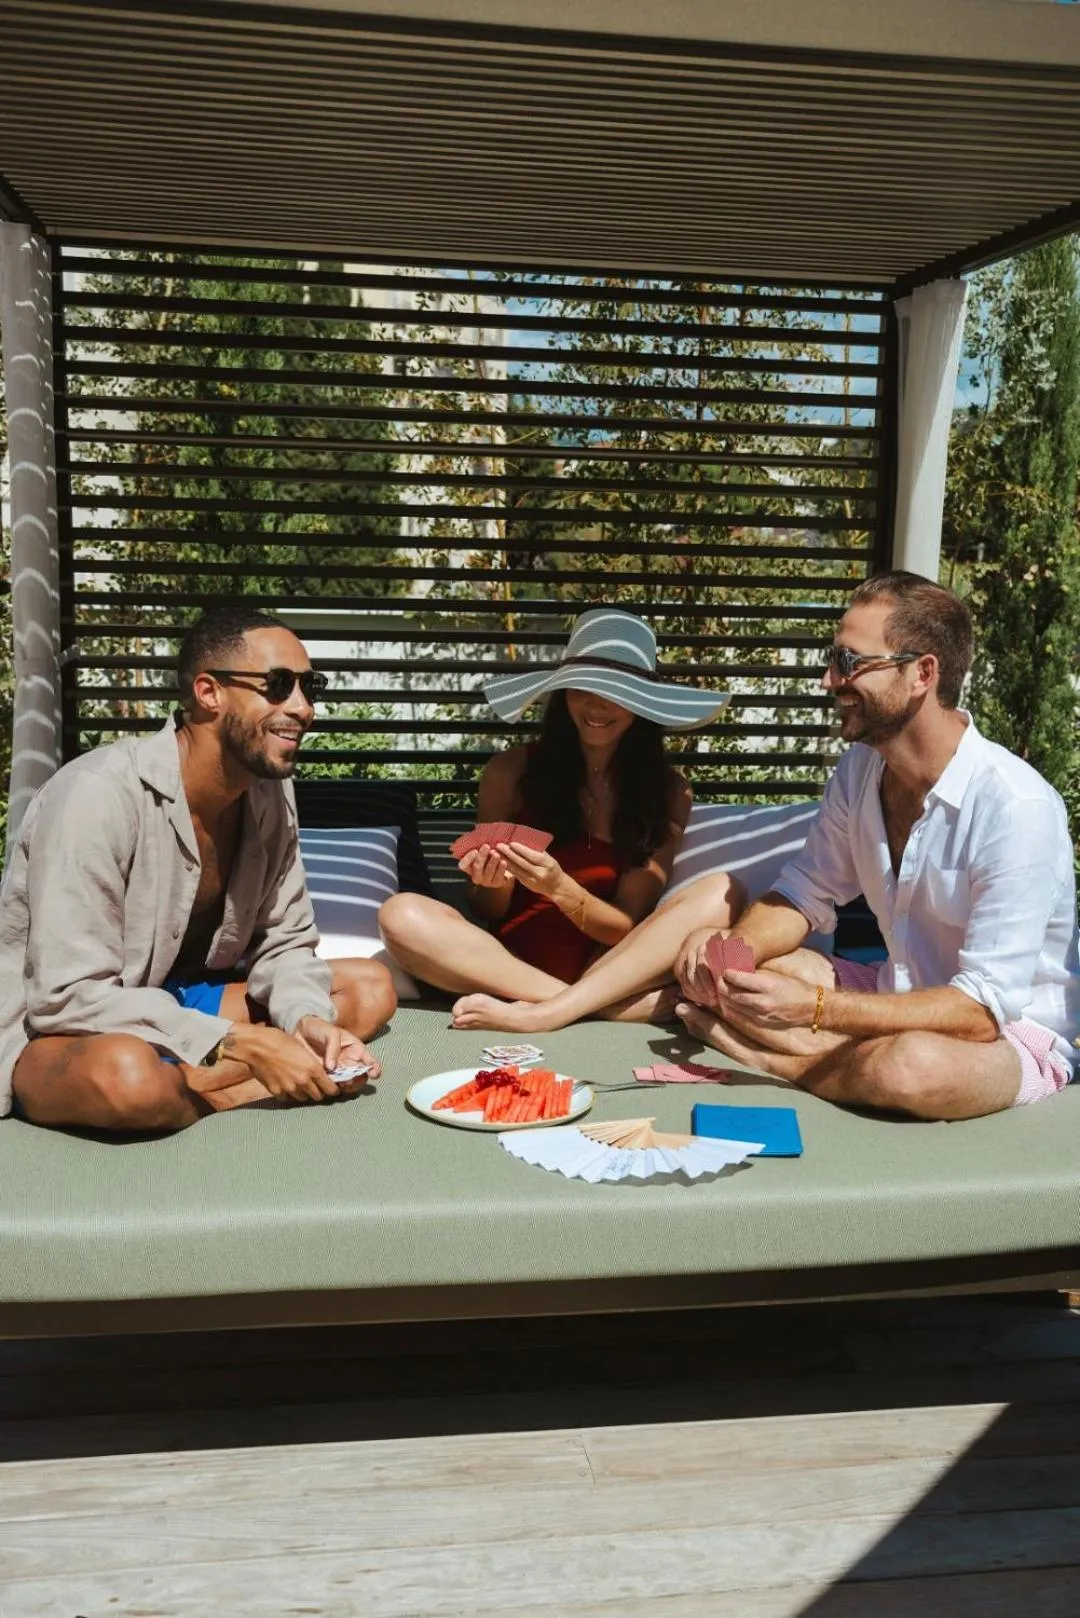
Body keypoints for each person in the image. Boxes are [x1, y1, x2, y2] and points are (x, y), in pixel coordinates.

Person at [673, 570, 1080, 1121]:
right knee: (741, 963)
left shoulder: (1016, 807)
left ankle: (780, 1063)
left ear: (922, 674)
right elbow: (802, 893)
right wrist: (732, 956)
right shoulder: (861, 770)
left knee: (913, 1066)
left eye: (848, 662)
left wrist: (817, 1011)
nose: (827, 680)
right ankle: (841, 1061)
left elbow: (982, 1010)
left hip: (1008, 1033)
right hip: (898, 989)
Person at [0, 607, 397, 1132]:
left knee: (368, 989)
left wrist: (307, 1023)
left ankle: (202, 1082)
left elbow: (285, 944)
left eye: (310, 686)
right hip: (64, 1029)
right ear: (208, 692)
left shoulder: (269, 792)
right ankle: (240, 1088)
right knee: (127, 1078)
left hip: (177, 996)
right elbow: (66, 996)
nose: (302, 708)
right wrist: (237, 1043)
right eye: (277, 685)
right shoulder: (97, 794)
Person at [379, 607, 744, 1028]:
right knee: (400, 914)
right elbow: (487, 911)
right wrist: (492, 885)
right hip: (508, 967)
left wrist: (556, 886)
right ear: (562, 692)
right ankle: (590, 1007)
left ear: (641, 703)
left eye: (616, 692)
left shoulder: (668, 791)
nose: (597, 705)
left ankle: (560, 1008)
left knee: (722, 891)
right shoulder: (509, 771)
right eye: (581, 688)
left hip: (610, 963)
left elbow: (623, 926)